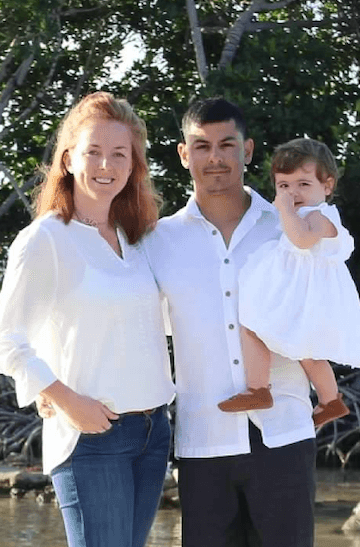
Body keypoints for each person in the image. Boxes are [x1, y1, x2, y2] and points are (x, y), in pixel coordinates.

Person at [0, 91, 175, 547]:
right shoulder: (45, 239)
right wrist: (64, 399)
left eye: (119, 154)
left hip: (154, 432)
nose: (106, 165)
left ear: (133, 166)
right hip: (92, 438)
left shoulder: (139, 240)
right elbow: (5, 340)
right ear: (69, 159)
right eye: (94, 152)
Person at [144, 97, 316, 547]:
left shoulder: (289, 229)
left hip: (285, 434)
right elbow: (134, 328)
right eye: (202, 146)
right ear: (184, 155)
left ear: (248, 150)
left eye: (227, 145)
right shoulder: (158, 241)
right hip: (203, 442)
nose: (215, 157)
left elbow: (323, 311)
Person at [217, 138, 360, 427]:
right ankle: (329, 400)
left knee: (254, 325)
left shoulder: (320, 215)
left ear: (327, 186)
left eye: (303, 184)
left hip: (305, 299)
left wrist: (285, 210)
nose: (292, 193)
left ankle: (259, 389)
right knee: (301, 350)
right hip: (298, 295)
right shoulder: (303, 214)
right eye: (284, 185)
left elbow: (301, 239)